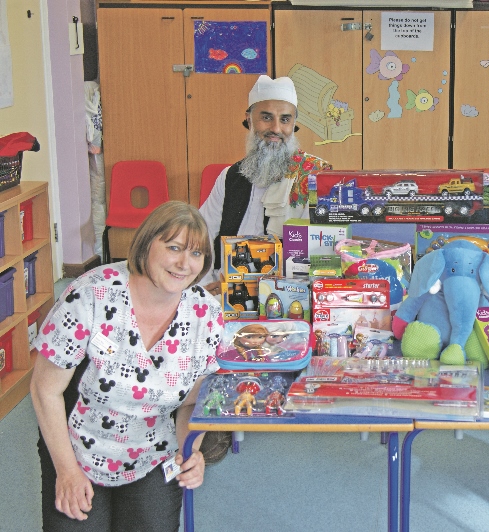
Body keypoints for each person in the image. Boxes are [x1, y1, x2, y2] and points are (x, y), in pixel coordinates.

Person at [30, 201, 223, 531]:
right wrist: (66, 471)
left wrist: (191, 452)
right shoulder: (91, 294)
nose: (184, 264)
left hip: (154, 451)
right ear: (147, 245)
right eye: (174, 248)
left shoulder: (206, 314)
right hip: (79, 445)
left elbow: (193, 401)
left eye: (196, 254)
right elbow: (44, 389)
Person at [199, 75, 332, 289]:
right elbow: (202, 232)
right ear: (249, 120)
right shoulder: (230, 176)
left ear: (294, 124)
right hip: (227, 287)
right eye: (267, 117)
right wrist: (204, 286)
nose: (276, 129)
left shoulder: (314, 177)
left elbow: (320, 250)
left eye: (285, 119)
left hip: (289, 290)